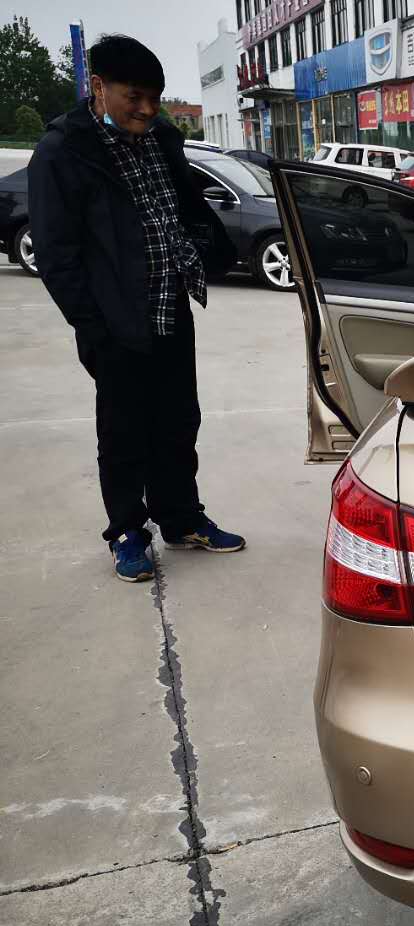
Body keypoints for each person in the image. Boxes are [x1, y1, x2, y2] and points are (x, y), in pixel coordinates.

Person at [29, 34, 245, 583]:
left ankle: (181, 518)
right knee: (124, 431)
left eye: (156, 98)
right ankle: (127, 531)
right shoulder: (64, 151)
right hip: (114, 321)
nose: (148, 110)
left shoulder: (160, 137)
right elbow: (56, 253)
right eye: (136, 97)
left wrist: (211, 251)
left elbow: (185, 205)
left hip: (171, 307)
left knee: (178, 422)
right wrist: (93, 327)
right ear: (98, 87)